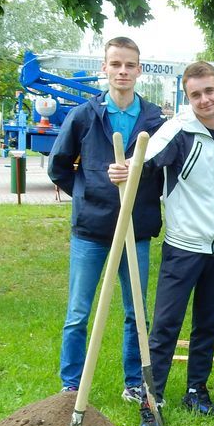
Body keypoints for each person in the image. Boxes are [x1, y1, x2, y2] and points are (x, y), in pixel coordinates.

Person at [108, 62, 214, 426]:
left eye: (209, 91)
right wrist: (125, 168)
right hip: (183, 246)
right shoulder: (177, 131)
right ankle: (153, 400)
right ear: (188, 97)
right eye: (196, 94)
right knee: (166, 325)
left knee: (209, 325)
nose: (204, 100)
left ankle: (197, 389)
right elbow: (144, 159)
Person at [48, 37, 164, 399]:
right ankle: (71, 384)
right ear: (105, 69)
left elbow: (161, 168)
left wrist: (137, 175)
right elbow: (59, 167)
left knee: (136, 313)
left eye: (130, 65)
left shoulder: (154, 119)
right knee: (79, 312)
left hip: (136, 228)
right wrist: (89, 191)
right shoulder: (84, 116)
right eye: (116, 64)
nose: (123, 71)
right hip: (91, 230)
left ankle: (133, 383)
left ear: (139, 70)